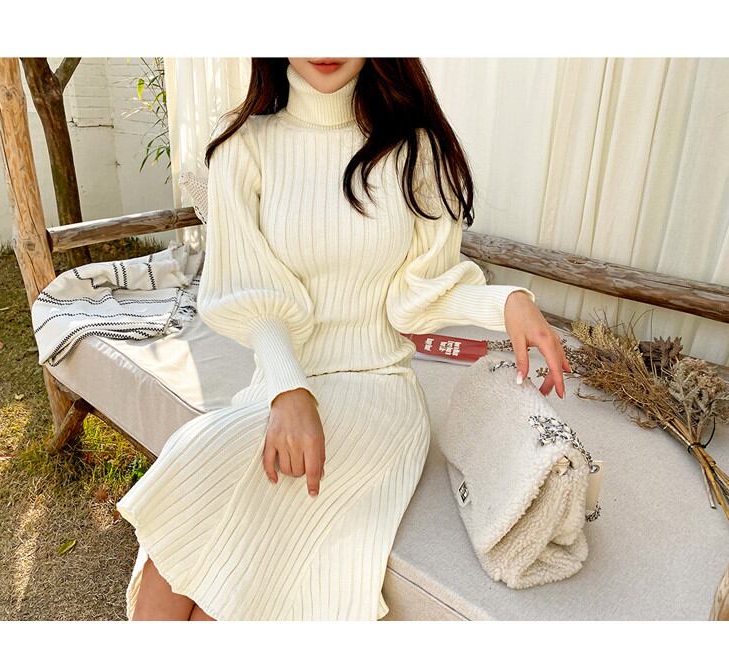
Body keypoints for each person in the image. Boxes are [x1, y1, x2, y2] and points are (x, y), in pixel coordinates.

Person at [115, 57, 571, 621]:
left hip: (379, 392)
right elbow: (251, 293)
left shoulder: (414, 148)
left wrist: (505, 302)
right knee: (196, 465)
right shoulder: (244, 146)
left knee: (240, 553)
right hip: (280, 385)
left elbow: (416, 294)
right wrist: (289, 389)